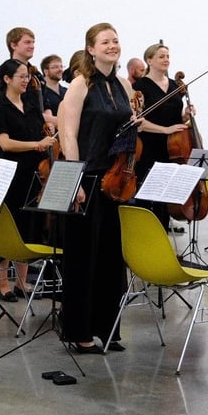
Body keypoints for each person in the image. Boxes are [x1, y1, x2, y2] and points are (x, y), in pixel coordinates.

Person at [58, 22, 135, 353]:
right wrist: (75, 179)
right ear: (91, 49)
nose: (112, 46)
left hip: (116, 181)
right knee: (83, 259)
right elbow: (68, 134)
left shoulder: (123, 85)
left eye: (115, 41)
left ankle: (108, 329)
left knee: (111, 260)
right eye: (105, 42)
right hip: (88, 179)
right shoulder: (80, 84)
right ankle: (80, 332)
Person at [0, 58, 55, 300]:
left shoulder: (32, 106)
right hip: (9, 176)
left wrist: (48, 134)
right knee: (9, 228)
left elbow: (42, 131)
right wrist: (36, 144)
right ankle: (3, 284)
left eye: (28, 76)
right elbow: (5, 143)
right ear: (7, 79)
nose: (26, 80)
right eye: (21, 76)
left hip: (32, 174)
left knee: (28, 226)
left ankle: (22, 282)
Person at [132, 43, 190, 232]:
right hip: (149, 148)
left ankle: (163, 238)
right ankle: (145, 239)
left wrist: (185, 115)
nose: (166, 60)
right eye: (161, 56)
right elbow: (139, 122)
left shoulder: (174, 85)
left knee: (165, 200)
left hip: (173, 149)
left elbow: (175, 117)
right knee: (148, 197)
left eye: (167, 56)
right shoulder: (140, 86)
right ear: (149, 60)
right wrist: (165, 130)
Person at [41, 54, 67, 128]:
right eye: (55, 67)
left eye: (61, 66)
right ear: (46, 71)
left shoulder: (67, 91)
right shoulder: (39, 92)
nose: (60, 69)